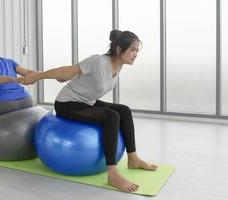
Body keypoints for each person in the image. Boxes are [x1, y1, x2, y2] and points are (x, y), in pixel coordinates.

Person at [17, 29, 157, 193]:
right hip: (67, 103)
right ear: (119, 50)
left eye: (137, 51)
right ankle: (112, 173)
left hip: (86, 101)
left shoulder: (118, 66)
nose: (135, 54)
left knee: (124, 110)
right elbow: (65, 71)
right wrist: (35, 77)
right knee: (112, 116)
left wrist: (70, 77)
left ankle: (133, 159)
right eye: (133, 50)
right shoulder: (97, 61)